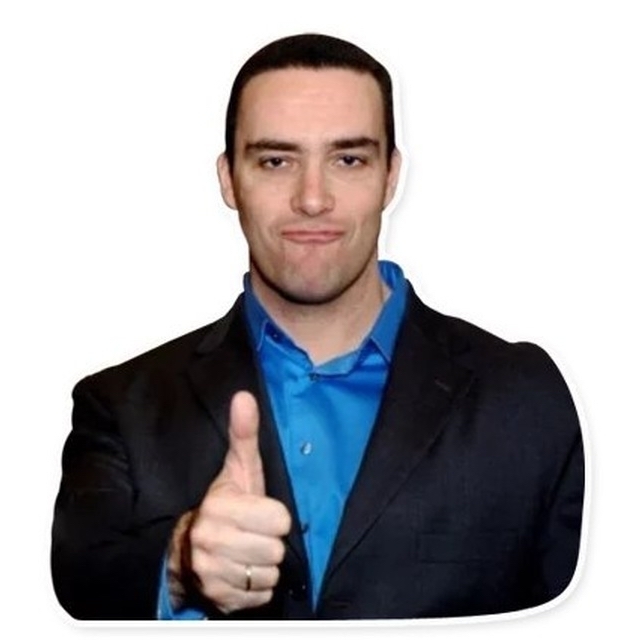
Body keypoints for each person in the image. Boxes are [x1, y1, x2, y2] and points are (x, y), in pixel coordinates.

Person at [51, 33, 585, 621]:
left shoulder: (524, 396)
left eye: (348, 159)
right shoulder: (121, 404)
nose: (312, 199)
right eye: (276, 161)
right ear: (229, 179)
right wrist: (180, 563)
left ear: (390, 176)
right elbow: (80, 584)